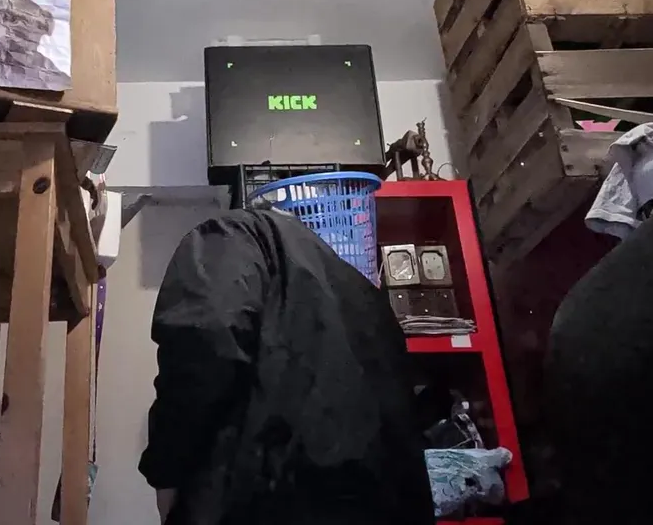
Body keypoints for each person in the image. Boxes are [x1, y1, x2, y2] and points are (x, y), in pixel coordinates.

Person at [138, 208, 435, 525]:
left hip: (265, 501)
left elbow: (205, 345)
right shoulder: (367, 296)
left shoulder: (238, 234)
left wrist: (166, 475)